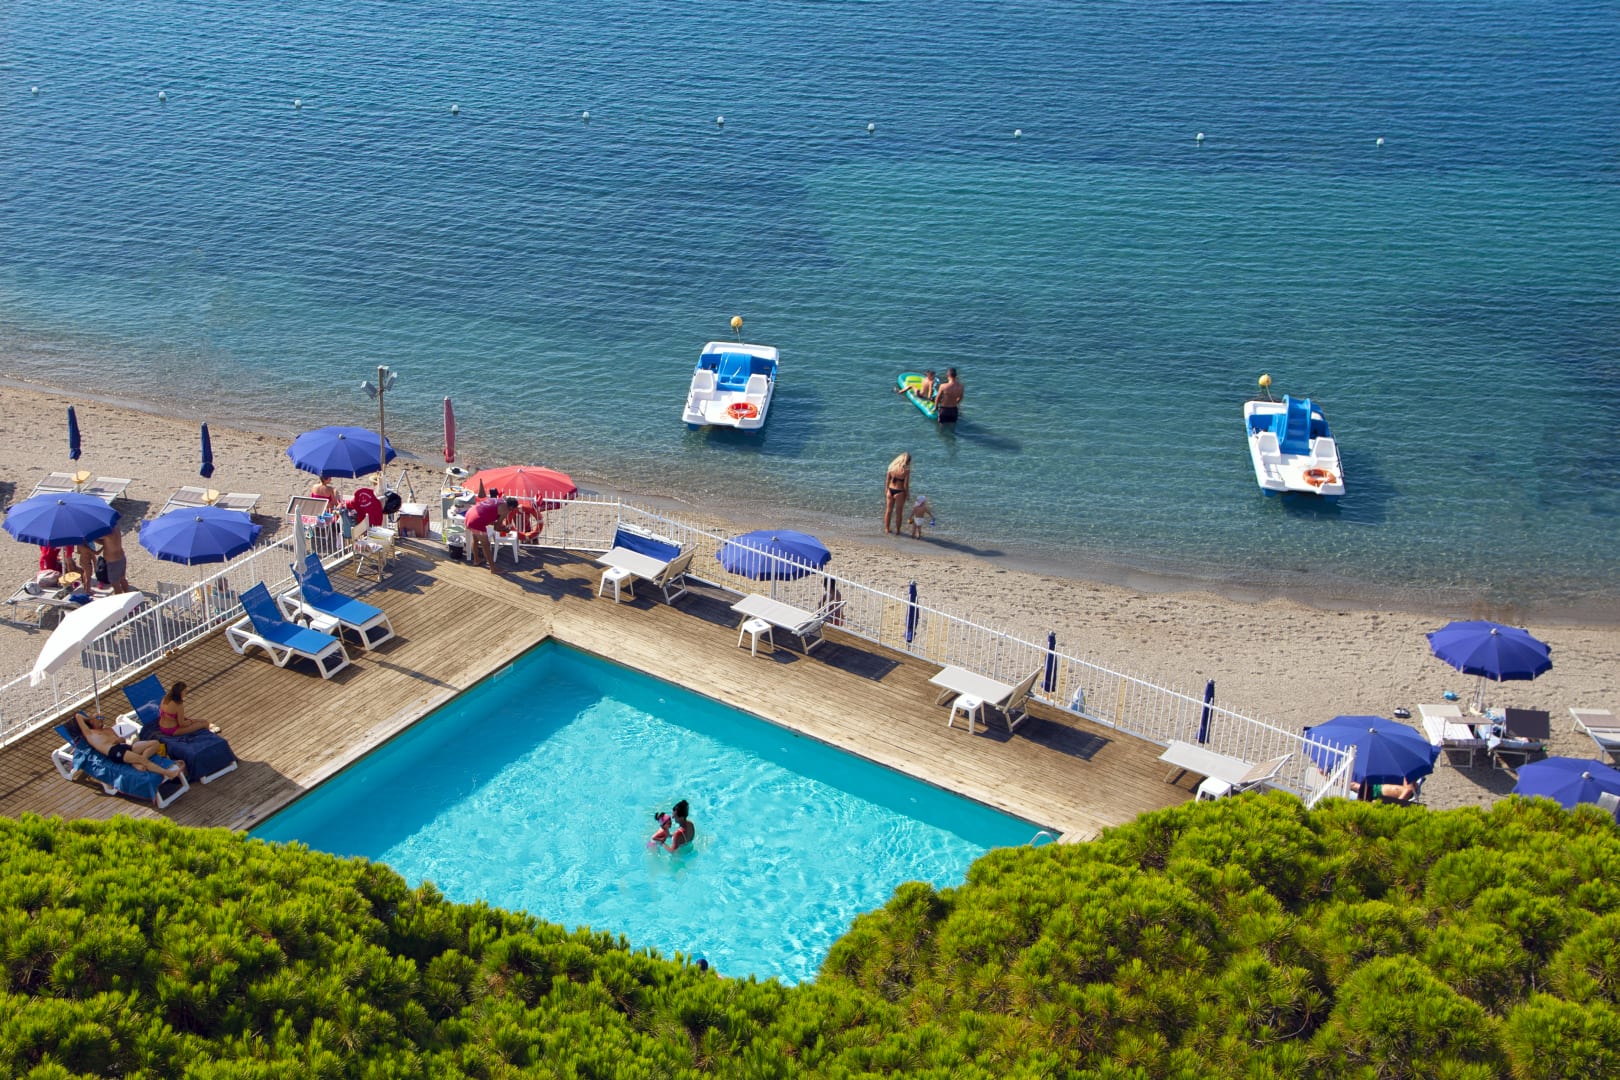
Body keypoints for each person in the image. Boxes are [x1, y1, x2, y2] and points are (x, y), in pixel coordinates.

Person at [73, 711, 184, 781]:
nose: (101, 720)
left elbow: (122, 739)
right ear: (91, 721)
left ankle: (137, 762)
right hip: (114, 751)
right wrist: (90, 718)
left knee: (155, 743)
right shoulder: (90, 734)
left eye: (102, 718)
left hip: (124, 747)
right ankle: (168, 773)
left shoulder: (108, 729)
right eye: (98, 718)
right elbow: (78, 716)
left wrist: (120, 739)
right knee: (143, 760)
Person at [464, 495, 519, 573]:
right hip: (476, 521)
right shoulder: (506, 510)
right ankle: (493, 568)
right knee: (486, 545)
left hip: (470, 514)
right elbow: (496, 528)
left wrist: (499, 525)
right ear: (511, 507)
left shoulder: (498, 500)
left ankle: (476, 560)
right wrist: (505, 530)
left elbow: (488, 516)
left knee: (475, 539)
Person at [884, 452, 912, 534]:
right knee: (899, 513)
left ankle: (887, 529)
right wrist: (907, 494)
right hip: (900, 492)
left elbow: (887, 480)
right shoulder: (906, 471)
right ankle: (898, 531)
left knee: (888, 511)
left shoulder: (891, 468)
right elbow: (905, 485)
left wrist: (886, 489)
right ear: (907, 461)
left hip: (890, 490)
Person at [96, 528, 130, 594]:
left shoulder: (108, 532)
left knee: (115, 584)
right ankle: (128, 594)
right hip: (121, 557)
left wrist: (90, 538)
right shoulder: (115, 527)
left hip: (113, 562)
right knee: (122, 579)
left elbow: (98, 538)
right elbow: (106, 542)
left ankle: (120, 599)